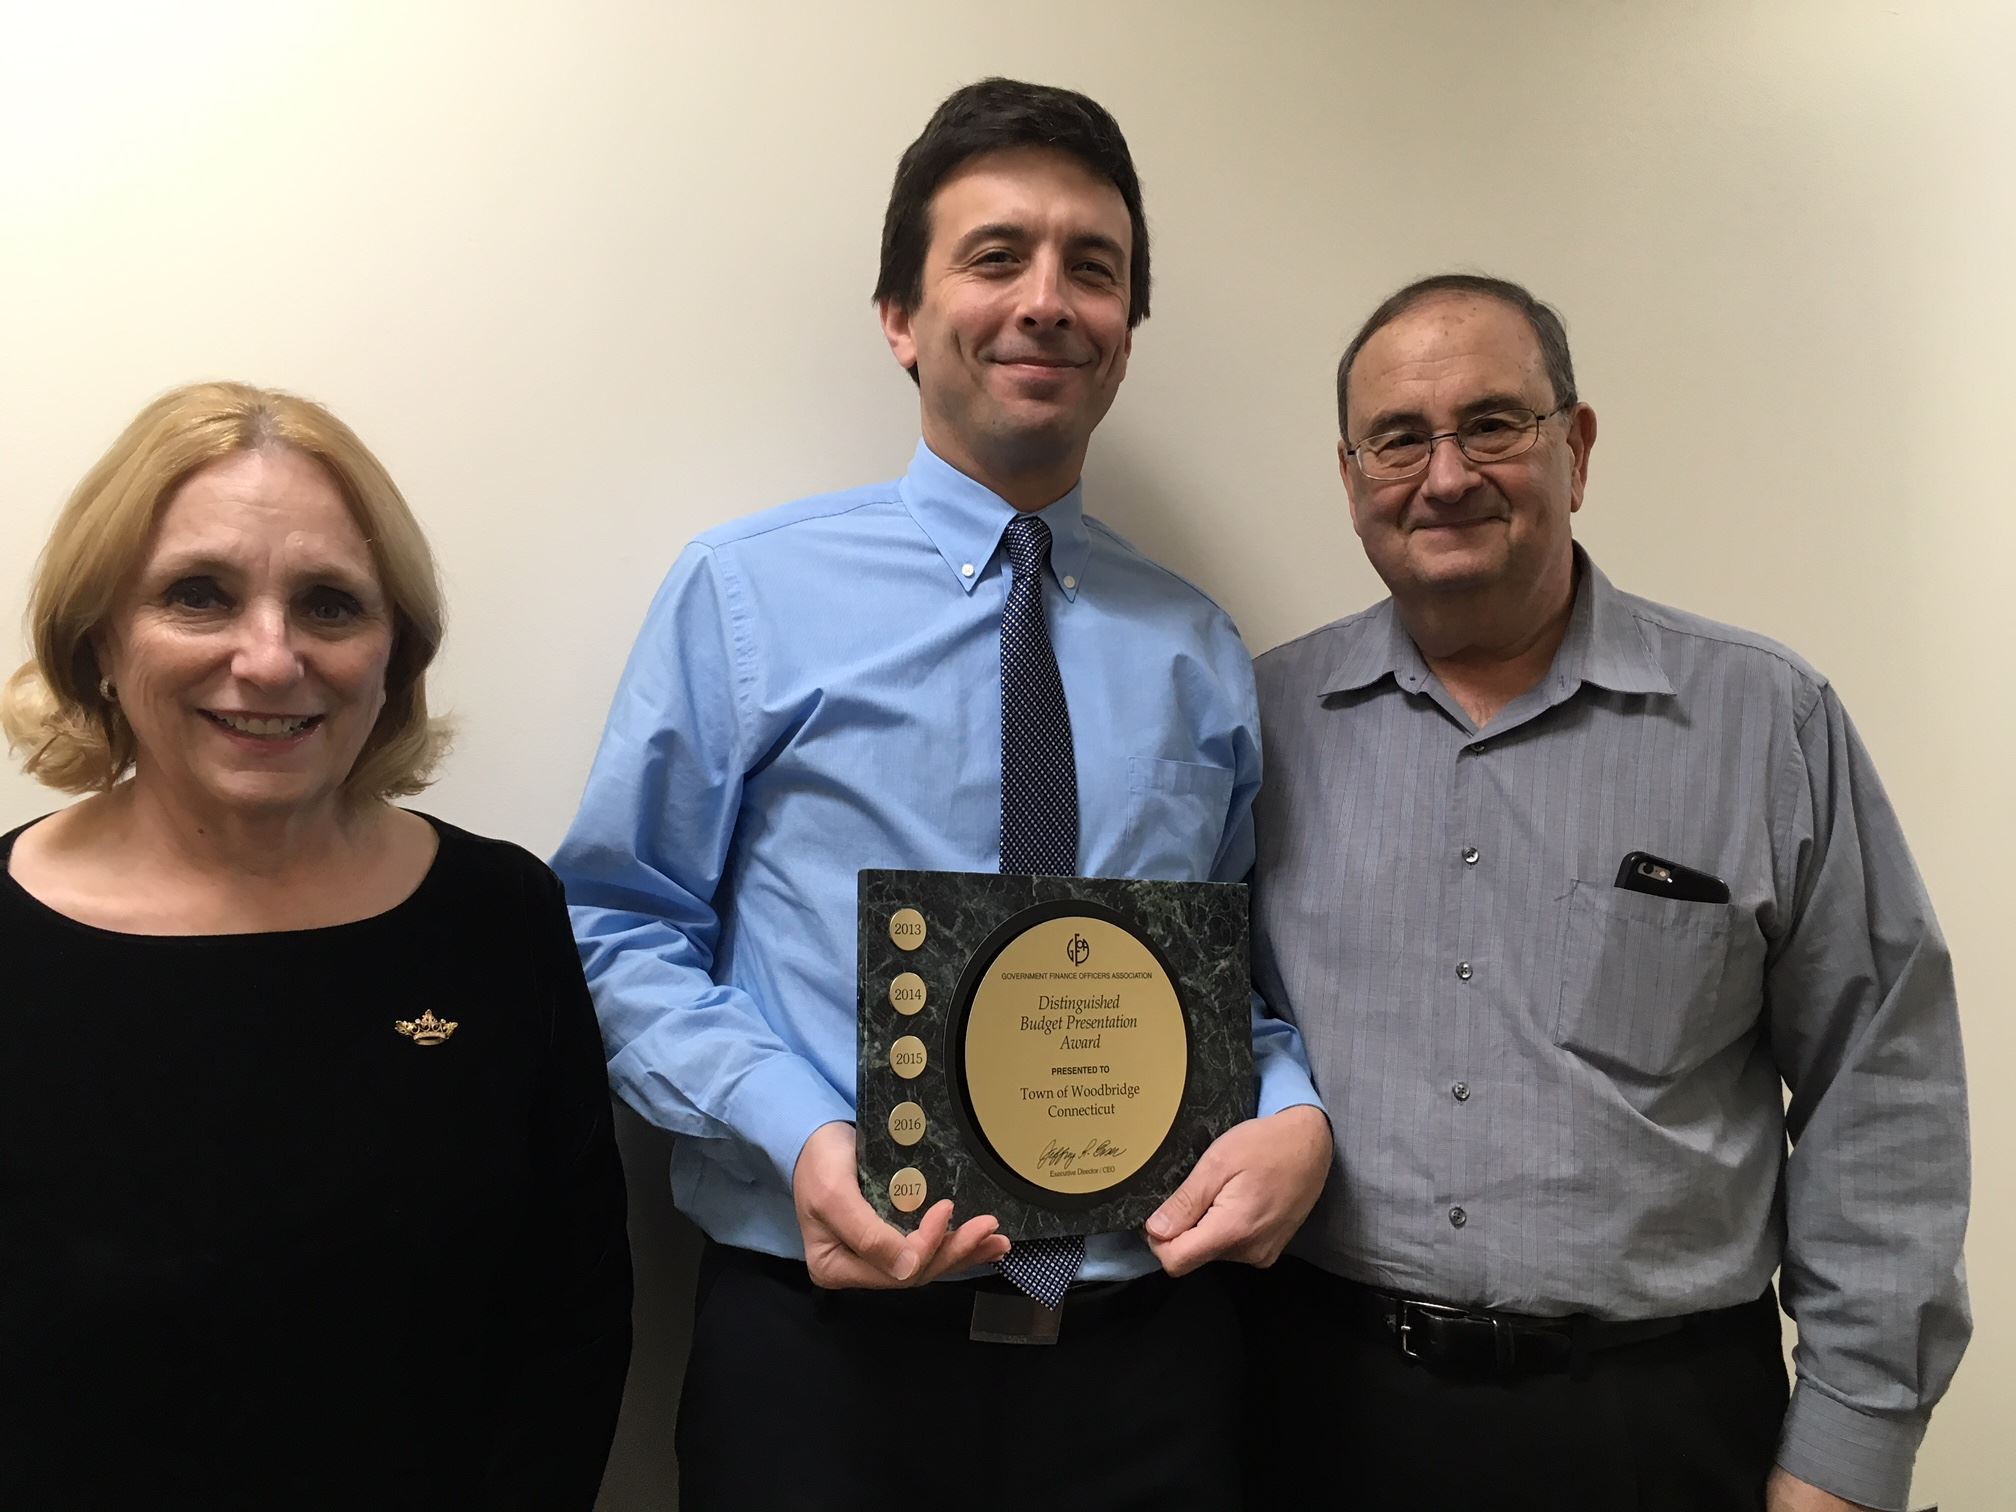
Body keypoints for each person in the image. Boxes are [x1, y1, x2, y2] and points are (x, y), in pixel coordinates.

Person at [554, 77, 1331, 1511]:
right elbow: (614, 932)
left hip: (1145, 1359)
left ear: (1124, 338)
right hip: (824, 1354)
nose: (1047, 299)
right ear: (902, 319)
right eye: (996, 256)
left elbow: (1233, 987)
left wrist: (1296, 1112)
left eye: (1092, 268)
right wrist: (801, 1131)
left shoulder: (1201, 651)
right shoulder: (744, 598)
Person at [1245, 273, 1970, 1512]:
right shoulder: (1259, 728)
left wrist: (1848, 1453)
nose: (1447, 474)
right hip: (1316, 1409)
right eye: (1399, 439)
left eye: (1492, 424)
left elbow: (1882, 1082)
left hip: (1660, 1428)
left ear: (1575, 448)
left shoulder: (1766, 722)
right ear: (1352, 474)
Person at [0, 383, 632, 1510]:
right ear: (98, 634)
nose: (271, 657)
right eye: (198, 595)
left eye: (331, 606)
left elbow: (568, 1330)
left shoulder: (498, 916)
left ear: (395, 653)